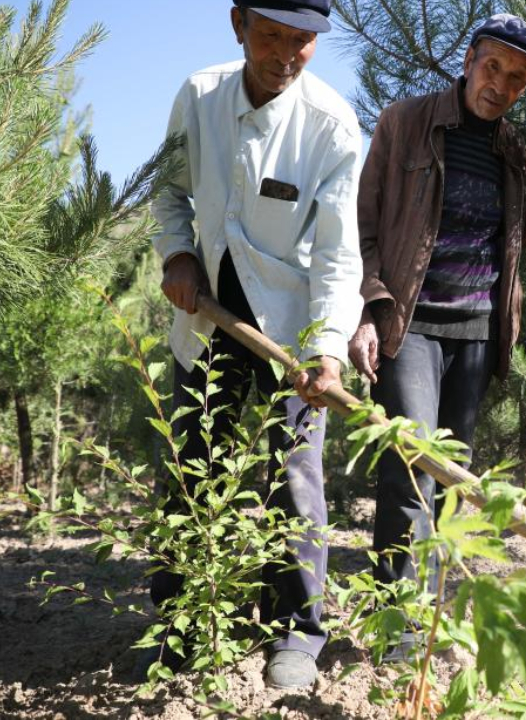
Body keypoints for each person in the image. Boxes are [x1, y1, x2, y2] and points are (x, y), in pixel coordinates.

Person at [147, 0, 362, 688]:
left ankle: (297, 634)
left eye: (303, 42)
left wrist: (326, 349)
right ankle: (183, 623)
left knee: (297, 476)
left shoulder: (331, 126)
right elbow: (169, 191)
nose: (286, 56)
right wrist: (177, 255)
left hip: (292, 336)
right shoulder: (199, 96)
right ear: (237, 23)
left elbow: (337, 254)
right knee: (192, 469)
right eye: (271, 36)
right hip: (208, 319)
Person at [350, 13, 526, 660]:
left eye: (517, 78)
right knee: (411, 466)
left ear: (525, 88)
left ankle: (435, 618)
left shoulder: (514, 152)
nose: (500, 85)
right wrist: (369, 308)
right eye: (493, 67)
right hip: (411, 323)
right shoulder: (405, 123)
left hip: (476, 334)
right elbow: (365, 223)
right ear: (470, 57)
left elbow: (505, 234)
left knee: (454, 482)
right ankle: (397, 627)